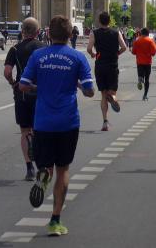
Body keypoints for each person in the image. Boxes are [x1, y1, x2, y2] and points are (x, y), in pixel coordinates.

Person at [19, 15, 94, 237]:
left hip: (42, 122)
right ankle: (55, 220)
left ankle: (43, 175)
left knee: (47, 165)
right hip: (67, 121)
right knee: (63, 169)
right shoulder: (78, 58)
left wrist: (40, 87)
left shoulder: (38, 56)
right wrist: (77, 84)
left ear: (49, 34)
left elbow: (23, 85)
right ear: (71, 34)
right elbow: (90, 91)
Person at [4, 17, 46, 181]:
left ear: (22, 31)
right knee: (39, 130)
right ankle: (41, 162)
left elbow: (7, 72)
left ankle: (29, 168)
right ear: (38, 31)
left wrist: (13, 83)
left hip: (21, 93)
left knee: (24, 131)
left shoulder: (15, 49)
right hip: (40, 93)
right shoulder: (44, 48)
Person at [86, 11, 127, 131]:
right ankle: (113, 97)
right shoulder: (116, 32)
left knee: (103, 95)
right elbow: (124, 47)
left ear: (99, 21)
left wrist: (93, 54)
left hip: (100, 65)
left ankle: (105, 122)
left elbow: (89, 48)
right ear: (110, 21)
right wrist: (117, 53)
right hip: (112, 65)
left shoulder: (94, 33)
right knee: (112, 91)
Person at [131, 27, 156, 101]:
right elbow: (153, 53)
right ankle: (145, 95)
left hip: (139, 62)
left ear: (141, 33)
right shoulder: (150, 41)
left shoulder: (137, 41)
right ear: (148, 34)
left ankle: (140, 78)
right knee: (147, 79)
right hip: (147, 62)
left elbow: (133, 52)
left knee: (140, 74)